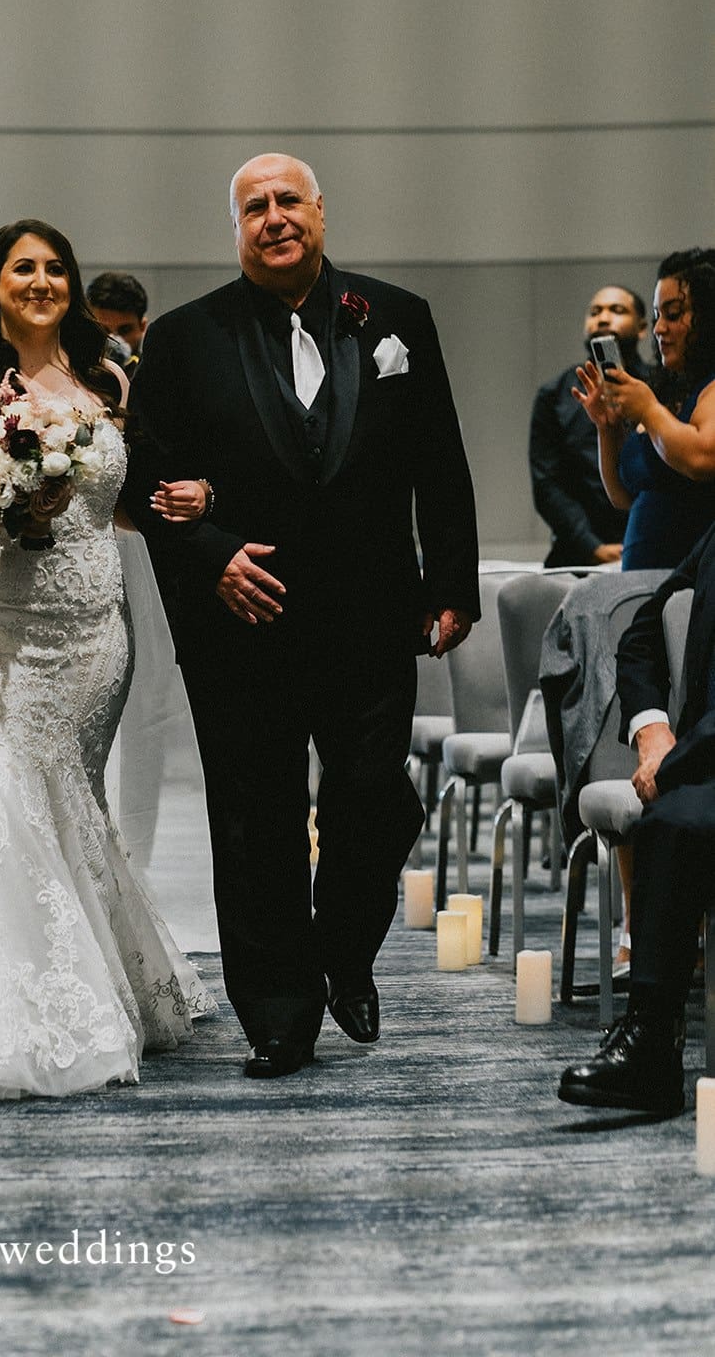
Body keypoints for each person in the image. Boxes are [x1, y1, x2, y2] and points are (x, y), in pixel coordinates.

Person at [124, 152, 479, 1078]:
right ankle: (278, 1012)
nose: (273, 217)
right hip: (247, 615)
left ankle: (345, 948)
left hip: (371, 613)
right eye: (254, 207)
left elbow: (439, 459)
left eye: (288, 201)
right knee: (255, 818)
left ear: (321, 211)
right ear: (235, 228)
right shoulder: (185, 340)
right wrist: (215, 562)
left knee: (373, 794)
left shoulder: (398, 319)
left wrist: (452, 582)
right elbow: (149, 481)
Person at [0, 218, 214, 1099]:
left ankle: (94, 973)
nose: (41, 281)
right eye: (22, 268)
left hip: (87, 627)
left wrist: (183, 502)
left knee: (67, 799)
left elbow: (119, 498)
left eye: (55, 268)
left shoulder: (108, 374)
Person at [558, 521, 715, 1115]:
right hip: (704, 756)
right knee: (672, 821)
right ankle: (652, 1043)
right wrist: (650, 728)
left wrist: (679, 760)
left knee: (680, 816)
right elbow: (643, 632)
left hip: (706, 751)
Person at [574, 257, 715, 571]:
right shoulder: (668, 391)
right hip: (645, 584)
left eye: (674, 314)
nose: (660, 328)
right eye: (656, 316)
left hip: (690, 590)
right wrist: (607, 429)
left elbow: (701, 459)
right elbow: (624, 497)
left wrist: (649, 410)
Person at [529, 285, 649, 567]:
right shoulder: (555, 393)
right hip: (577, 552)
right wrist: (591, 546)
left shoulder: (660, 386)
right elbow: (547, 483)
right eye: (595, 312)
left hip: (650, 541)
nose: (603, 318)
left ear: (643, 327)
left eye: (617, 310)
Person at [87, 271, 149, 367]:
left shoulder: (155, 377)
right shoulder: (72, 375)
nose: (114, 343)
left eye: (125, 330)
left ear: (142, 327)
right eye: (103, 331)